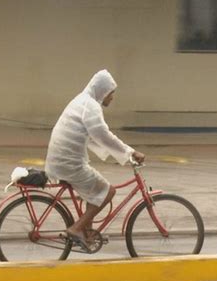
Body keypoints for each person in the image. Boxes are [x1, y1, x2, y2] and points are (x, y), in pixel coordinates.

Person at [45, 69, 145, 247]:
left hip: (61, 160)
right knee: (108, 191)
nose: (112, 98)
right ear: (102, 91)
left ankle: (86, 234)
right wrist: (130, 152)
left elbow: (91, 137)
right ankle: (77, 228)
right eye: (111, 93)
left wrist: (118, 154)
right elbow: (102, 135)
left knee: (93, 192)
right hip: (69, 163)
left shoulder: (81, 101)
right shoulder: (91, 106)